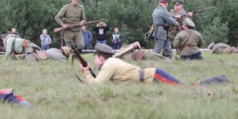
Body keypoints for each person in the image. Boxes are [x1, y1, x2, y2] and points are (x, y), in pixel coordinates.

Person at [80, 44, 229, 86]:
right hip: (152, 78)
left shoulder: (110, 64)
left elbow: (97, 85)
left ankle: (219, 80)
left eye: (95, 58)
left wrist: (87, 73)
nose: (94, 61)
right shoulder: (111, 62)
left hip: (154, 76)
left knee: (186, 89)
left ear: (101, 57)